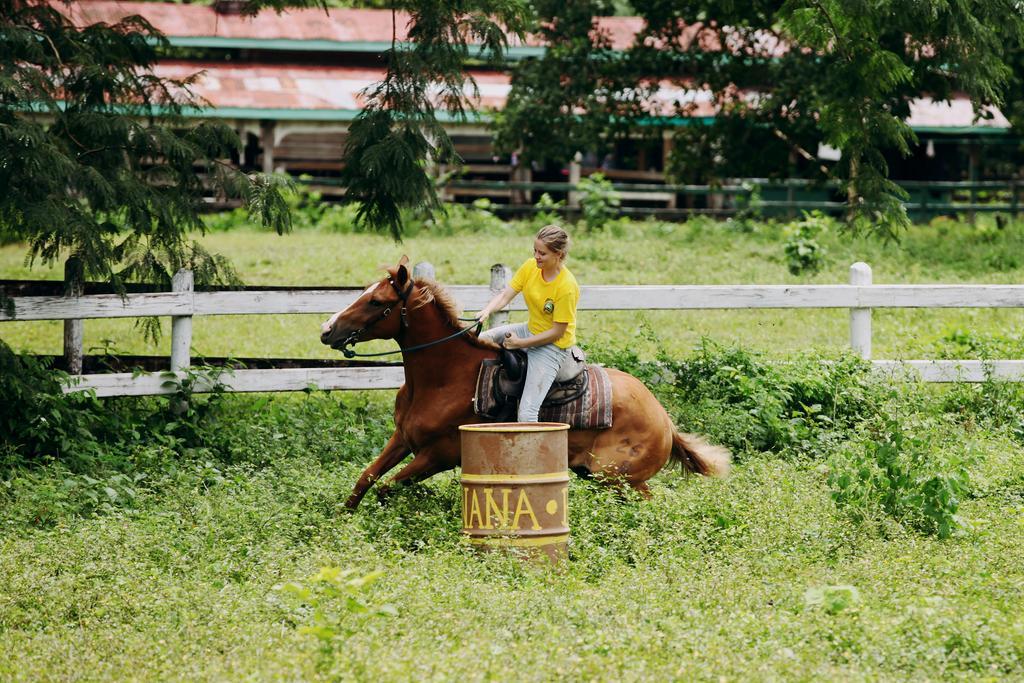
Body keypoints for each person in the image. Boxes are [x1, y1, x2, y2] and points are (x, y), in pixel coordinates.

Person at [476, 225, 580, 422]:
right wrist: (487, 310)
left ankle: (532, 452)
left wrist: (520, 344)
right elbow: (506, 295)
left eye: (542, 253)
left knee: (527, 414)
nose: (536, 256)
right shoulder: (531, 266)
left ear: (558, 254)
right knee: (479, 340)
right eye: (535, 251)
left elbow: (557, 332)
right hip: (529, 329)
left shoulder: (567, 286)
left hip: (552, 347)